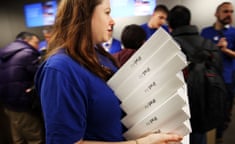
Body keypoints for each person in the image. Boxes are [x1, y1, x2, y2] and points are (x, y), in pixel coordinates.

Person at [34, 0, 183, 144]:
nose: (112, 21)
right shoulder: (60, 70)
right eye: (107, 13)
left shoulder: (98, 55)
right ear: (84, 15)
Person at [168, 5, 226, 144]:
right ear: (189, 22)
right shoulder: (209, 45)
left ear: (169, 25)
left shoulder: (169, 47)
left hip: (178, 114)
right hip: (206, 107)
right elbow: (219, 73)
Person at [200, 2, 235, 143]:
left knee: (225, 110)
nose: (229, 14)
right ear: (217, 14)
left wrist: (225, 50)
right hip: (210, 78)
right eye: (225, 11)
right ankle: (212, 133)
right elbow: (200, 53)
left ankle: (219, 136)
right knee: (210, 107)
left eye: (231, 11)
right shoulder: (206, 32)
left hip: (229, 80)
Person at [0, 31, 45, 144]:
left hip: (7, 102)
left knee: (18, 136)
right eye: (36, 42)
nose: (37, 46)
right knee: (34, 137)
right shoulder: (28, 53)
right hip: (23, 102)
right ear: (26, 41)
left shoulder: (5, 52)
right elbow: (40, 75)